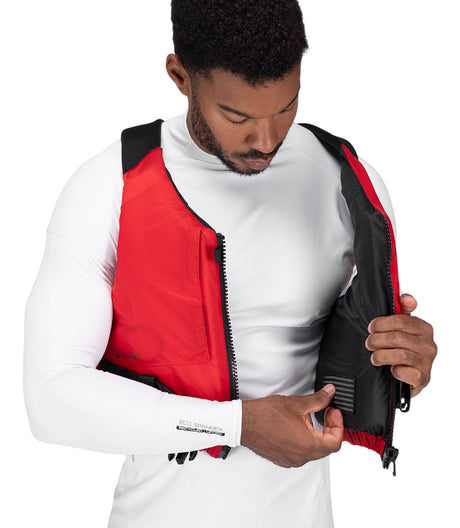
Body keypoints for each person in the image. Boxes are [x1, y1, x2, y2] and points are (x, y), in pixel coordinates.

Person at [23, 1, 437, 526]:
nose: (266, 141)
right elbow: (51, 397)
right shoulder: (108, 187)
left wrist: (404, 365)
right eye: (237, 117)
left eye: (285, 107)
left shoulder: (347, 182)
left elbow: (370, 360)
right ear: (180, 77)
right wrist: (238, 425)